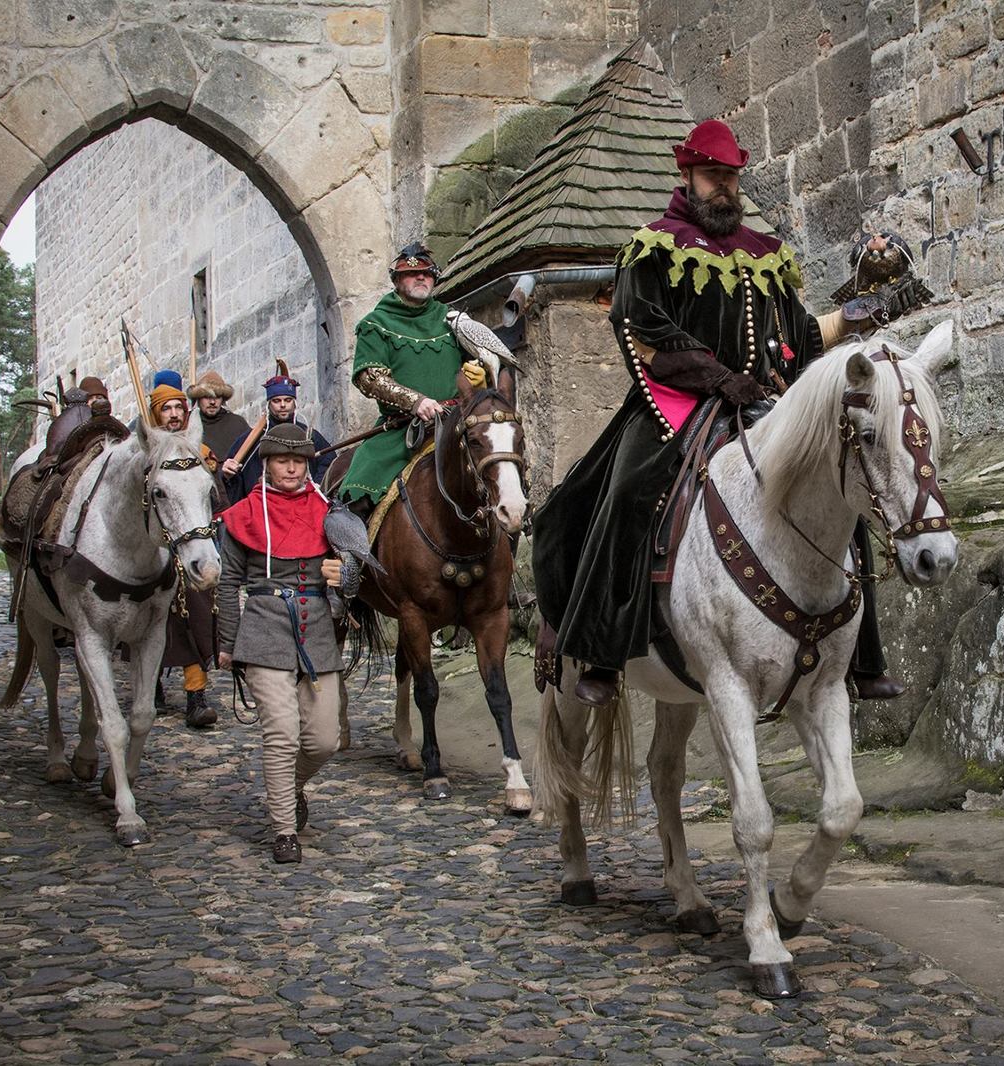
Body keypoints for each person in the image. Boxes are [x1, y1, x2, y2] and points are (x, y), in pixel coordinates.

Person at [532, 119, 909, 707]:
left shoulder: (765, 255)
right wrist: (718, 378)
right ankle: (603, 653)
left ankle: (862, 660)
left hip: (763, 404)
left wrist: (863, 313)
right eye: (713, 176)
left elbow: (799, 338)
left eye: (731, 177)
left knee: (840, 484)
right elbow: (645, 333)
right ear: (687, 175)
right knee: (627, 488)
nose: (724, 188)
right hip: (677, 403)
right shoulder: (653, 246)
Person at [215, 423, 345, 864]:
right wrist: (227, 643)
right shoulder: (244, 515)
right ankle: (284, 829)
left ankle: (290, 787)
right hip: (264, 630)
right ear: (266, 466)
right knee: (283, 734)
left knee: (325, 740)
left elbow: (357, 574)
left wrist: (345, 576)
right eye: (281, 461)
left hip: (318, 633)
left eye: (298, 462)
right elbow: (228, 583)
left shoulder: (330, 512)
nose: (291, 469)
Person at [331, 241, 500, 522]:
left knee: (500, 471)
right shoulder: (376, 323)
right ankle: (352, 561)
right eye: (411, 274)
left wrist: (481, 380)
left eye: (427, 273)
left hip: (457, 423)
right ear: (397, 280)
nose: (421, 277)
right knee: (358, 490)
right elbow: (369, 377)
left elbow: (477, 364)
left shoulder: (451, 319)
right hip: (402, 429)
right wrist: (415, 401)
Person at [149, 380, 221, 728]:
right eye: (167, 408)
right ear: (155, 414)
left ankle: (196, 694)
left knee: (195, 616)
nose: (174, 415)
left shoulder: (199, 452)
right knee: (152, 619)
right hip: (156, 551)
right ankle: (151, 688)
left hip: (191, 547)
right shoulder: (145, 456)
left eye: (179, 408)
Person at [221, 369, 334, 506]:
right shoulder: (249, 440)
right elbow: (233, 478)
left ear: (294, 403)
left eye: (288, 400)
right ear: (269, 403)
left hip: (303, 506)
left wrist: (317, 485)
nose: (282, 405)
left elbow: (329, 461)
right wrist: (228, 474)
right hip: (261, 507)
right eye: (276, 400)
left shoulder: (309, 436)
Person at [188, 370, 251, 471]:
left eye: (217, 397)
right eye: (207, 397)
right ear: (198, 399)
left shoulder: (237, 424)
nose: (212, 402)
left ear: (223, 399)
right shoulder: (188, 423)